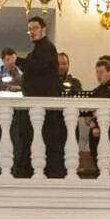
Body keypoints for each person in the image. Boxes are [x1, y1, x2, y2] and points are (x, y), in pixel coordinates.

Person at [17, 14, 63, 176]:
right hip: (38, 106)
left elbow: (38, 67)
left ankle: (50, 174)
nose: (31, 31)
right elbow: (32, 69)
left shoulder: (47, 48)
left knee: (48, 141)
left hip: (45, 107)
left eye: (35, 28)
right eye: (29, 29)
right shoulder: (37, 50)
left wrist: (17, 61)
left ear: (44, 29)